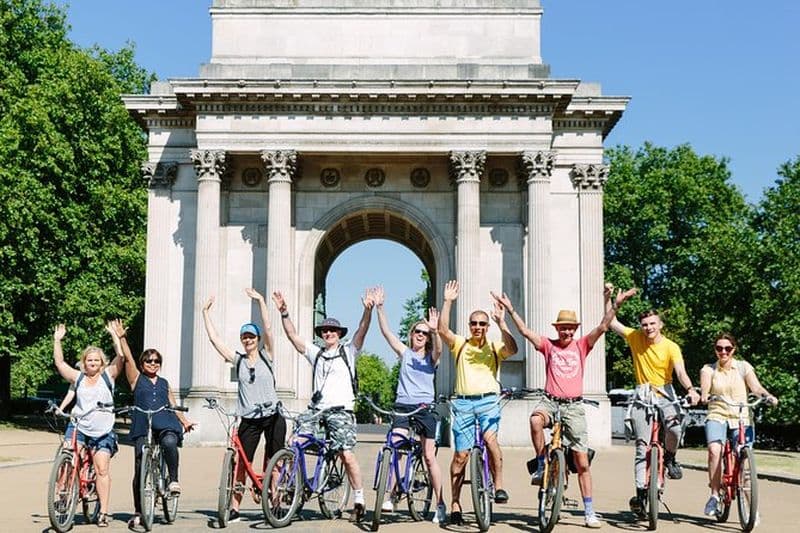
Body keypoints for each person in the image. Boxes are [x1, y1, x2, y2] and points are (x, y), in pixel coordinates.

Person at [492, 284, 635, 528]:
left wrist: (616, 304)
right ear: (557, 329)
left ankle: (589, 511)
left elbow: (603, 326)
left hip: (574, 406)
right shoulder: (549, 345)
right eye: (563, 328)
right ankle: (540, 464)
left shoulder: (581, 346)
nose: (567, 331)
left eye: (570, 328)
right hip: (550, 401)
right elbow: (525, 332)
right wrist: (511, 310)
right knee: (535, 420)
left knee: (582, 462)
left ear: (574, 329)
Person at [272, 288, 374, 521]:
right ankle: (293, 486)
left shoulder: (349, 351)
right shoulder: (315, 353)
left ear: (339, 334)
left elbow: (362, 330)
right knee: (294, 442)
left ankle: (359, 497)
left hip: (341, 410)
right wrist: (284, 313)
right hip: (316, 410)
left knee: (346, 454)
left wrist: (367, 311)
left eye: (332, 330)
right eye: (325, 330)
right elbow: (293, 337)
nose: (328, 333)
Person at [609, 295, 701, 518]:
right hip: (643, 393)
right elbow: (611, 322)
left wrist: (690, 389)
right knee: (642, 447)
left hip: (665, 391)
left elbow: (680, 372)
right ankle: (641, 494)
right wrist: (612, 301)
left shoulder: (671, 347)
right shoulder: (635, 337)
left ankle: (669, 457)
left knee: (675, 428)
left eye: (652, 324)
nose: (648, 328)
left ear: (660, 325)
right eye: (645, 325)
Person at [202, 288, 286, 523]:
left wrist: (261, 301)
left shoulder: (267, 356)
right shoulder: (238, 360)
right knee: (241, 463)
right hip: (249, 418)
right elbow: (215, 341)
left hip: (273, 415)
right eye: (245, 337)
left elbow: (269, 329)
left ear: (258, 340)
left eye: (252, 336)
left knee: (274, 459)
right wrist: (205, 313)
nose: (248, 340)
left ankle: (276, 501)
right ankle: (235, 507)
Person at [437, 280, 517, 525]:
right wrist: (448, 301)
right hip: (462, 404)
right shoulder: (460, 344)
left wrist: (503, 323)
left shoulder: (494, 347)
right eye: (474, 323)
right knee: (460, 457)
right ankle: (455, 502)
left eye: (483, 323)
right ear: (469, 325)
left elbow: (513, 348)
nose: (478, 327)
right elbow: (442, 331)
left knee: (491, 441)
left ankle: (499, 486)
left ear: (487, 326)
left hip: (488, 402)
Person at [108, 319, 195, 529]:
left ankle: (172, 480)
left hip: (165, 422)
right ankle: (139, 511)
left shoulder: (165, 383)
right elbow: (127, 357)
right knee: (139, 467)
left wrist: (184, 421)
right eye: (148, 360)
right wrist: (121, 337)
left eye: (156, 361)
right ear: (142, 363)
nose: (152, 363)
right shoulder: (136, 378)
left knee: (170, 443)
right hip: (142, 425)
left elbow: (173, 404)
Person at [373, 286, 446, 524]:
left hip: (425, 408)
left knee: (428, 455)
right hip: (402, 406)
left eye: (424, 333)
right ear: (411, 333)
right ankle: (391, 496)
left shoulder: (431, 357)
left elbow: (439, 349)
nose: (420, 334)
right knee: (396, 447)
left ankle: (440, 503)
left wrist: (435, 331)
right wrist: (380, 308)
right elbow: (386, 333)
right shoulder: (405, 353)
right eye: (417, 331)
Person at [53, 322, 126, 528]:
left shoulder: (107, 376)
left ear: (101, 363)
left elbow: (120, 358)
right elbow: (60, 364)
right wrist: (57, 340)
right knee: (66, 456)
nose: (92, 363)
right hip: (79, 426)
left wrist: (115, 337)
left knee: (102, 469)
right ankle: (61, 494)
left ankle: (102, 512)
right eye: (89, 360)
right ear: (84, 363)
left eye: (96, 360)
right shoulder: (78, 378)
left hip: (103, 431)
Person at [699, 333, 778, 517]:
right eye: (719, 348)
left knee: (745, 460)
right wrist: (704, 395)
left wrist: (767, 396)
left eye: (727, 348)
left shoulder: (743, 367)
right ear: (715, 350)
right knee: (714, 450)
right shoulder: (709, 369)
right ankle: (714, 495)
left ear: (734, 349)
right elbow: (704, 388)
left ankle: (752, 509)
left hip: (741, 416)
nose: (723, 352)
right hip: (717, 414)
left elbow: (756, 388)